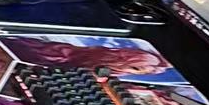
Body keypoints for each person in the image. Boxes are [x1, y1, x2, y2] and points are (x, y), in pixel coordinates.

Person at [11, 36, 168, 77]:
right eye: (142, 69)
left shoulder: (114, 62)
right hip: (59, 56)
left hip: (61, 53)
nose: (146, 71)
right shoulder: (111, 65)